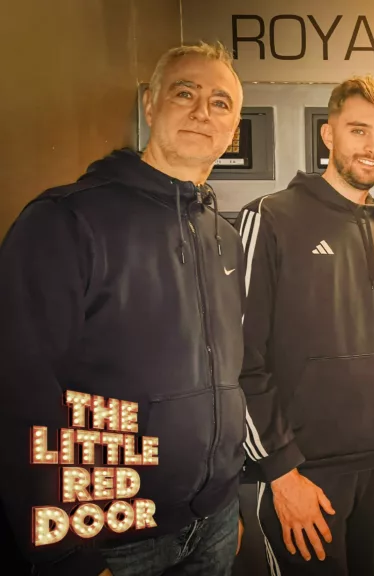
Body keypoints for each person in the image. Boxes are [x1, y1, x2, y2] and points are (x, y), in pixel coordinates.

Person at [0, 42, 247, 575]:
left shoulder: (225, 238)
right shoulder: (66, 221)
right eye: (185, 93)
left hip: (214, 521)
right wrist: (67, 553)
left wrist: (225, 498)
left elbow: (225, 377)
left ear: (234, 130)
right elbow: (20, 393)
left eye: (220, 103)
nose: (202, 112)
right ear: (150, 105)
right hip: (113, 536)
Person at [234, 75, 374, 576]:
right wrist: (280, 472)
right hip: (302, 473)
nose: (373, 147)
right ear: (328, 134)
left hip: (373, 469)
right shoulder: (270, 217)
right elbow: (240, 359)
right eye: (359, 131)